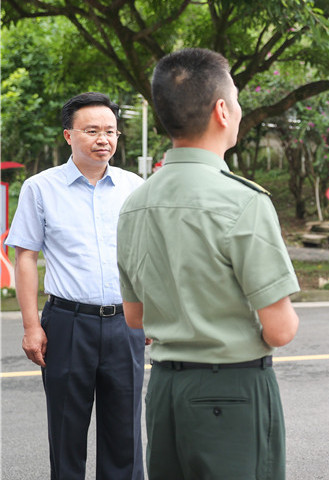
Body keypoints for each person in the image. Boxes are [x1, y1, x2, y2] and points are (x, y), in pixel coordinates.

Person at [116, 48, 300, 480]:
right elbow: (281, 328)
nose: (238, 108)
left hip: (164, 391)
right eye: (235, 98)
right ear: (222, 110)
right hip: (231, 390)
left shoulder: (134, 203)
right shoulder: (241, 200)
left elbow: (134, 316)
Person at [5, 92, 145, 479]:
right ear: (69, 135)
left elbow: (146, 256)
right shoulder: (40, 188)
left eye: (111, 131)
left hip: (125, 323)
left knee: (126, 436)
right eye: (92, 131)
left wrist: (150, 312)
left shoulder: (134, 186)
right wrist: (32, 326)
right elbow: (26, 258)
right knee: (67, 432)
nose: (104, 139)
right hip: (67, 324)